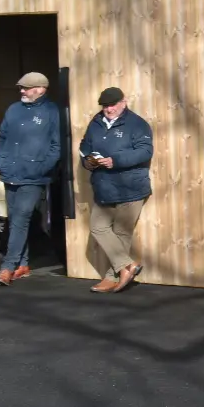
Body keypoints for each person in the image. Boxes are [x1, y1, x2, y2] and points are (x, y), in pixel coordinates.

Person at [79, 86, 154, 293]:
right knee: (98, 227)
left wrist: (116, 160)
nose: (108, 109)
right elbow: (84, 145)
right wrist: (87, 160)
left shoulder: (137, 124)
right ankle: (128, 266)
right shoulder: (95, 122)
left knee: (122, 233)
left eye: (112, 105)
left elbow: (145, 151)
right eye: (105, 106)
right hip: (104, 186)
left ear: (124, 102)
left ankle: (112, 277)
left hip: (130, 186)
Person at [0, 71, 62, 286]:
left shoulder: (52, 112)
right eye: (21, 88)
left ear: (40, 89)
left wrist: (42, 168)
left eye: (26, 88)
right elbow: (2, 137)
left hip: (33, 176)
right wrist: (0, 161)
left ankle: (8, 266)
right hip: (10, 172)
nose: (22, 91)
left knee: (21, 218)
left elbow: (56, 145)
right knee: (15, 219)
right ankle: (22, 264)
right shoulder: (14, 110)